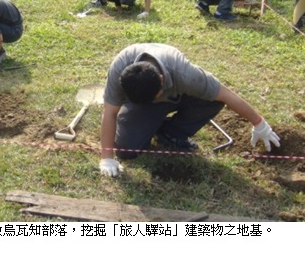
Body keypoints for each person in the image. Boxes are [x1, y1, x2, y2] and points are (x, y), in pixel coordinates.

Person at [99, 43, 280, 177]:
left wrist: (259, 123)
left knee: (213, 100)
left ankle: (171, 133)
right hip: (143, 103)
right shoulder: (120, 71)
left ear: (162, 79)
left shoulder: (186, 74)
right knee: (126, 151)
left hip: (180, 93)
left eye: (158, 95)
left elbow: (226, 94)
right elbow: (109, 113)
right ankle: (147, 120)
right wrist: (106, 157)